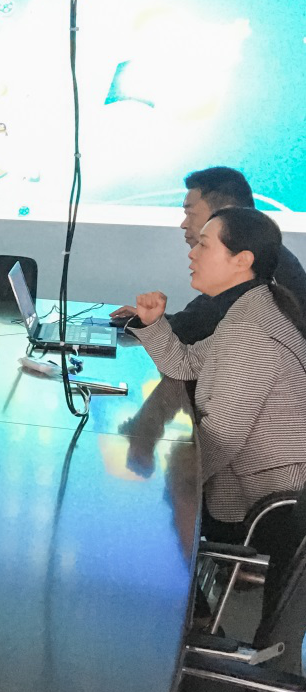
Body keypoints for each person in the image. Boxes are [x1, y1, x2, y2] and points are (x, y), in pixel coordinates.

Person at [130, 207, 306, 542]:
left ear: (242, 260)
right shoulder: (250, 309)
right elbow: (184, 363)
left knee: (136, 518)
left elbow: (221, 439)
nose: (192, 253)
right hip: (262, 494)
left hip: (266, 510)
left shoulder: (250, 330)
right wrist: (154, 323)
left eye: (204, 245)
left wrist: (155, 484)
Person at [114, 167, 306, 343]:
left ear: (226, 214)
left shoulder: (254, 269)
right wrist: (152, 320)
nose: (184, 224)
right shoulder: (267, 254)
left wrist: (148, 325)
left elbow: (186, 334)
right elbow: (197, 323)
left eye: (190, 214)